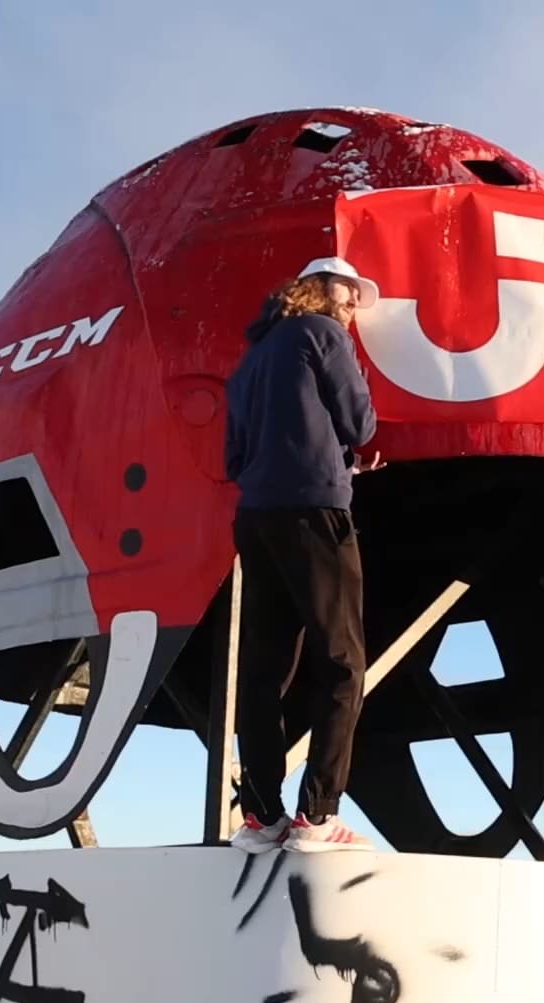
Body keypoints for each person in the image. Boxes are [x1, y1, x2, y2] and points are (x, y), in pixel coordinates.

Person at [223, 255, 385, 854]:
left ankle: (260, 817)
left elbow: (235, 459)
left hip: (257, 517)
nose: (351, 308)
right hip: (317, 515)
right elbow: (361, 422)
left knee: (266, 669)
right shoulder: (324, 335)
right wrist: (342, 459)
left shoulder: (250, 361)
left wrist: (329, 459)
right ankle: (317, 816)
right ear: (318, 291)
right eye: (347, 295)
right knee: (342, 661)